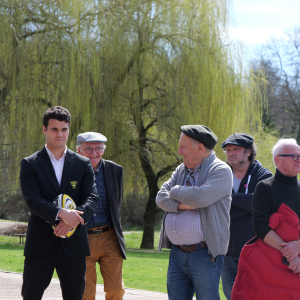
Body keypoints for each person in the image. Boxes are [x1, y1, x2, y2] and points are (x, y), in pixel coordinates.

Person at [19, 106, 98, 300]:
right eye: (54, 129)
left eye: (64, 129)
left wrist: (72, 220)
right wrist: (61, 213)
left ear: (68, 130)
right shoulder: (30, 164)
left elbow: (92, 198)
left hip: (74, 247)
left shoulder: (82, 163)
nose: (59, 134)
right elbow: (32, 200)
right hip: (40, 245)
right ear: (45, 130)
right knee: (31, 296)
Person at [156, 125, 233, 300]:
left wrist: (175, 191)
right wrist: (184, 205)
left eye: (183, 146)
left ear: (200, 148)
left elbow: (201, 197)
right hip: (177, 253)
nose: (179, 151)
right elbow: (160, 198)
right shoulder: (181, 169)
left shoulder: (220, 170)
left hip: (205, 254)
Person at [220, 133, 272, 299]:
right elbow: (213, 205)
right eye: (228, 150)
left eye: (236, 149)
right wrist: (247, 204)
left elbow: (260, 203)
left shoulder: (264, 175)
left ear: (248, 152)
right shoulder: (220, 174)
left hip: (255, 253)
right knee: (231, 296)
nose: (231, 153)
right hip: (225, 253)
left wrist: (227, 198)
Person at [77, 132, 126, 300]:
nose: (94, 153)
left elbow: (117, 203)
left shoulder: (115, 170)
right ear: (79, 150)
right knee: (86, 292)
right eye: (88, 149)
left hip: (109, 236)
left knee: (116, 290)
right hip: (83, 238)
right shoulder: (70, 172)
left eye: (98, 148)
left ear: (104, 150)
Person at [252, 138, 300, 276]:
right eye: (294, 156)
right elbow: (260, 225)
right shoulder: (264, 187)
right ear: (278, 160)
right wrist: (292, 255)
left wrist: (297, 247)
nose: (299, 159)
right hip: (270, 264)